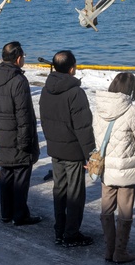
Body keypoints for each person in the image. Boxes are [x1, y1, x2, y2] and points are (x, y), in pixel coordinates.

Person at [39, 50, 96, 247]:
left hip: (55, 148)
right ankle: (71, 233)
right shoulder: (75, 92)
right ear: (72, 68)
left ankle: (59, 230)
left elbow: (44, 120)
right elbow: (83, 127)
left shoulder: (46, 89)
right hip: (72, 151)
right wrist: (91, 154)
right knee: (75, 194)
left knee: (60, 191)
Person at [0, 41, 42, 225]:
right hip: (16, 135)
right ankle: (20, 215)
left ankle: (6, 212)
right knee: (21, 176)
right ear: (18, 58)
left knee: (6, 173)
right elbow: (24, 114)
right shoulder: (18, 80)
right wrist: (26, 142)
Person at [93, 72, 135, 264]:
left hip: (106, 167)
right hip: (126, 168)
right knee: (125, 210)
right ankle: (120, 251)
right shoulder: (134, 111)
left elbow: (97, 137)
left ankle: (109, 249)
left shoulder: (99, 108)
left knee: (107, 208)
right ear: (131, 89)